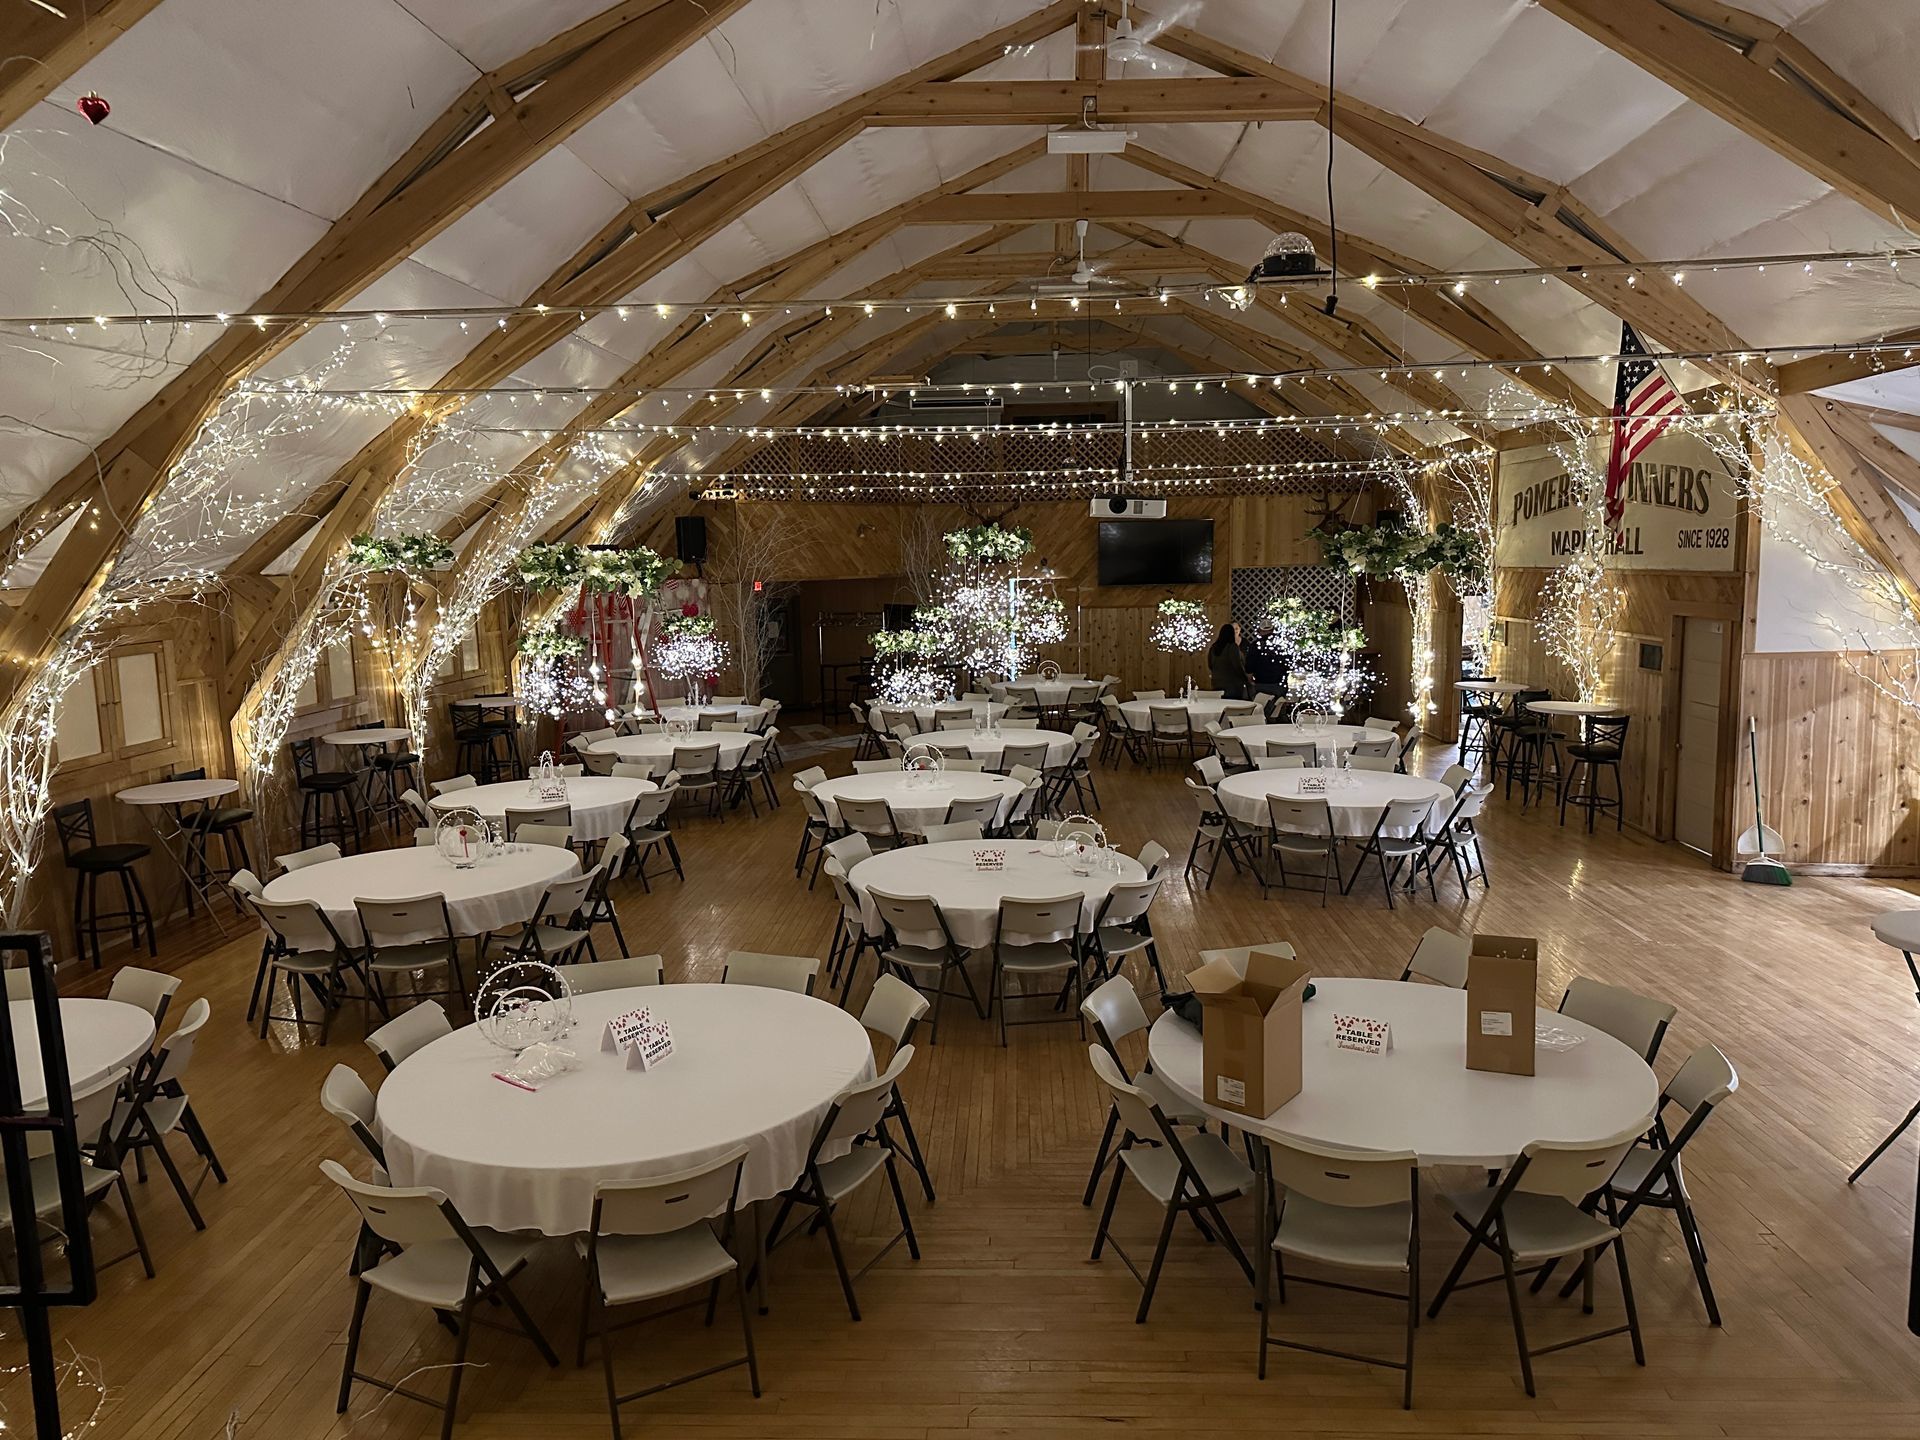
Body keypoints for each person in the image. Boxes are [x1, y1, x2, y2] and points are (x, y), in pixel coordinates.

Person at [1207, 621, 1251, 699]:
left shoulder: (1214, 647)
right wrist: (1245, 678)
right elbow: (1237, 665)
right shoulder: (1232, 647)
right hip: (1232, 684)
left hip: (1217, 682)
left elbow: (1210, 665)